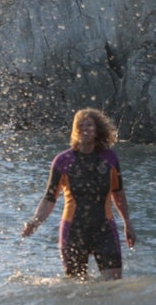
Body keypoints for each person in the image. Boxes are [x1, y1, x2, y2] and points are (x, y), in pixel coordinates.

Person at [22, 108, 135, 278]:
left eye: (89, 125)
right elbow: (49, 198)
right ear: (75, 130)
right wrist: (35, 221)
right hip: (74, 230)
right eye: (80, 125)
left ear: (98, 129)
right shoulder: (63, 161)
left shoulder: (109, 158)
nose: (85, 129)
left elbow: (118, 193)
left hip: (104, 229)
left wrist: (127, 223)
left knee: (114, 284)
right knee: (76, 288)